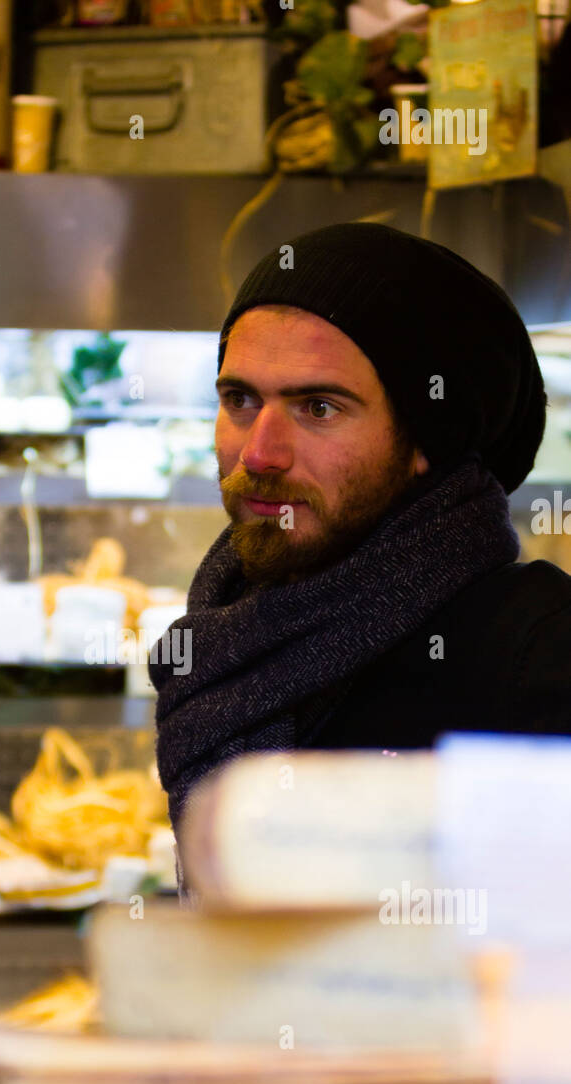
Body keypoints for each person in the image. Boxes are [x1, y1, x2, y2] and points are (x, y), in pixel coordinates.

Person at [149, 221, 571, 882]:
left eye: (318, 407)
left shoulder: (537, 654)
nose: (258, 454)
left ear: (427, 441)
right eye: (239, 400)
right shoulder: (227, 639)